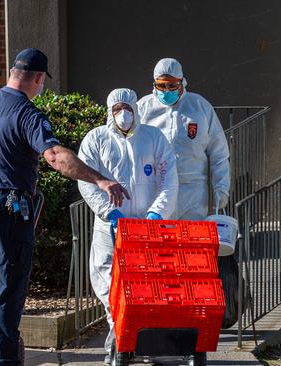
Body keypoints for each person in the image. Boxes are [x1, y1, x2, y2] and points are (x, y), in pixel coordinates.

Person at [0, 48, 129, 366]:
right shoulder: (27, 114)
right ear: (39, 78)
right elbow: (55, 156)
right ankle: (4, 360)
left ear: (13, 72)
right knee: (8, 286)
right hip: (6, 205)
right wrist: (100, 180)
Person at [77, 88, 178, 364]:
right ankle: (121, 341)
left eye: (128, 108)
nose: (123, 114)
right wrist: (110, 213)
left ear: (136, 109)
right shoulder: (96, 139)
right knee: (110, 287)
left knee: (147, 289)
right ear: (109, 111)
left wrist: (157, 212)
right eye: (117, 108)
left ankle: (137, 344)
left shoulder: (154, 138)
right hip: (109, 231)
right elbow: (86, 180)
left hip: (146, 230)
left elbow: (169, 179)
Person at [138, 58, 230, 220]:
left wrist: (221, 188)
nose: (166, 91)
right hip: (155, 191)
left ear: (182, 83)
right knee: (158, 242)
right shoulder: (143, 109)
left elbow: (219, 153)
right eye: (161, 86)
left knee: (190, 242)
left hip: (192, 192)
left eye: (172, 86)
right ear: (154, 84)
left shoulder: (200, 107)